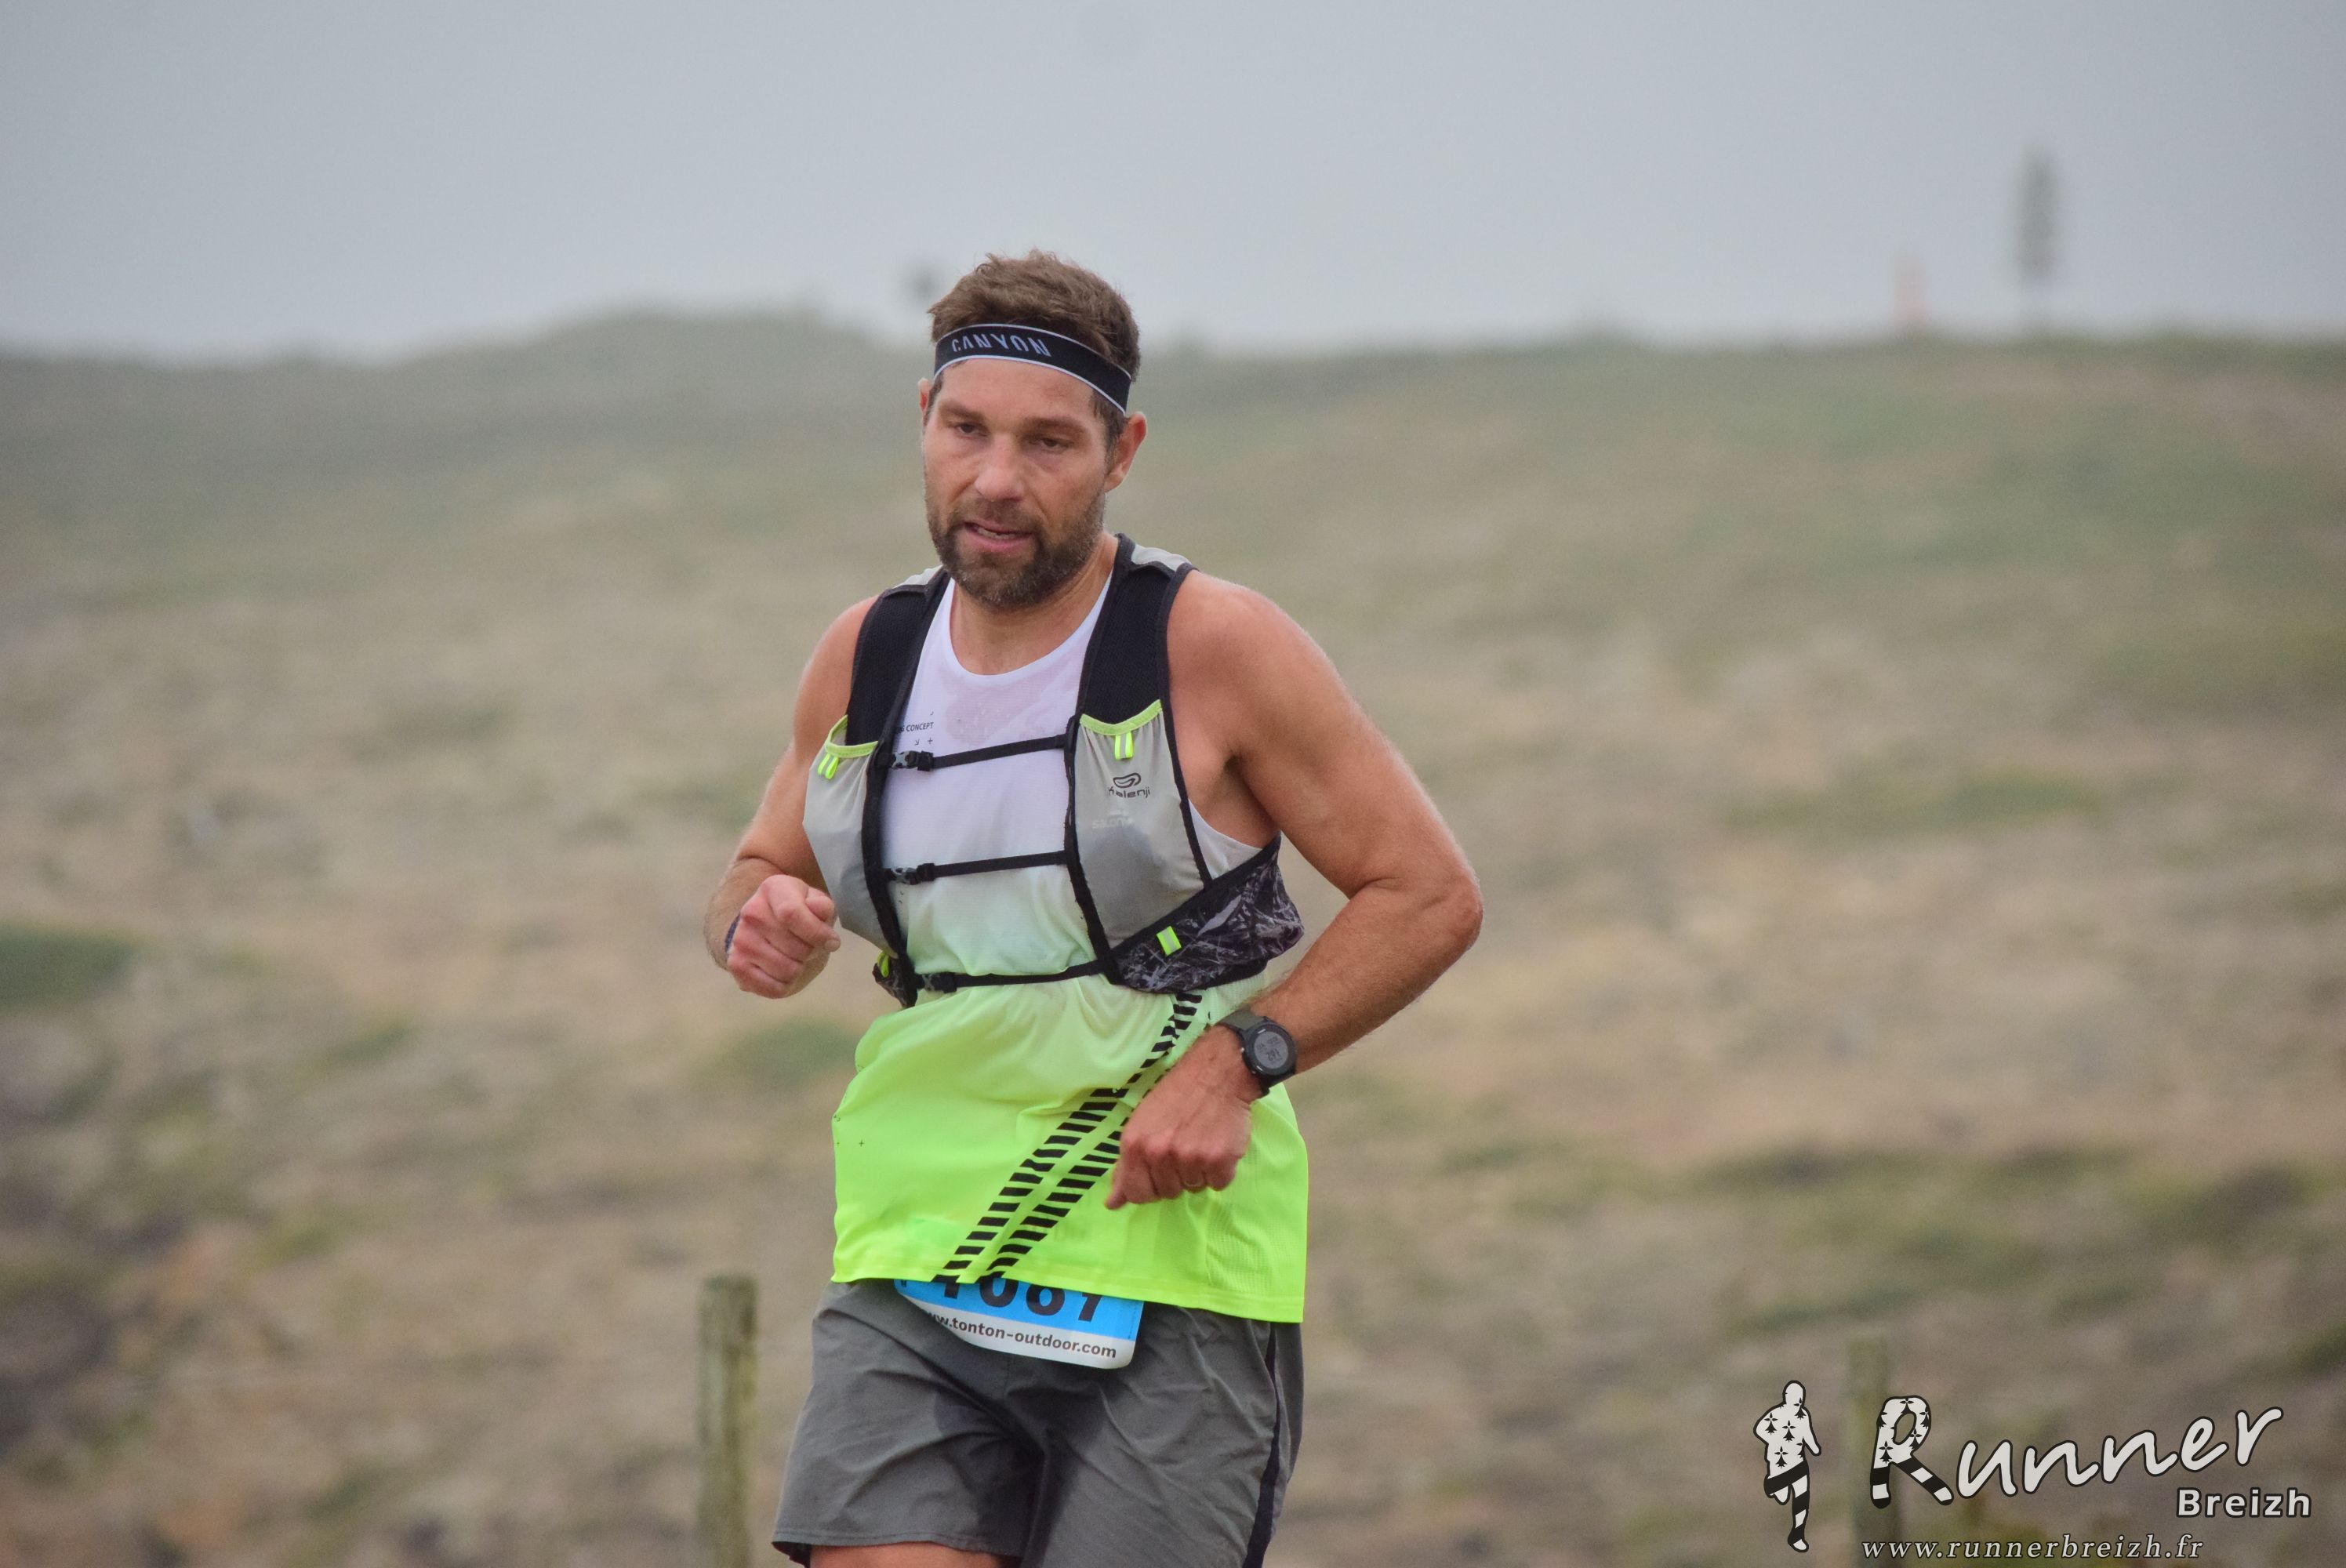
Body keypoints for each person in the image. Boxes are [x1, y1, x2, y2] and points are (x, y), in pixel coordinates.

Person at [704, 250, 1481, 1568]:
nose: (997, 480)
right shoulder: (867, 653)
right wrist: (756, 920)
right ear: (924, 419)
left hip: (1166, 1265)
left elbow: (1430, 892)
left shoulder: (1213, 643)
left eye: (1049, 443)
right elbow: (754, 870)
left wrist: (1238, 1065)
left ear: (1122, 451)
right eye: (967, 430)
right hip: (917, 1251)